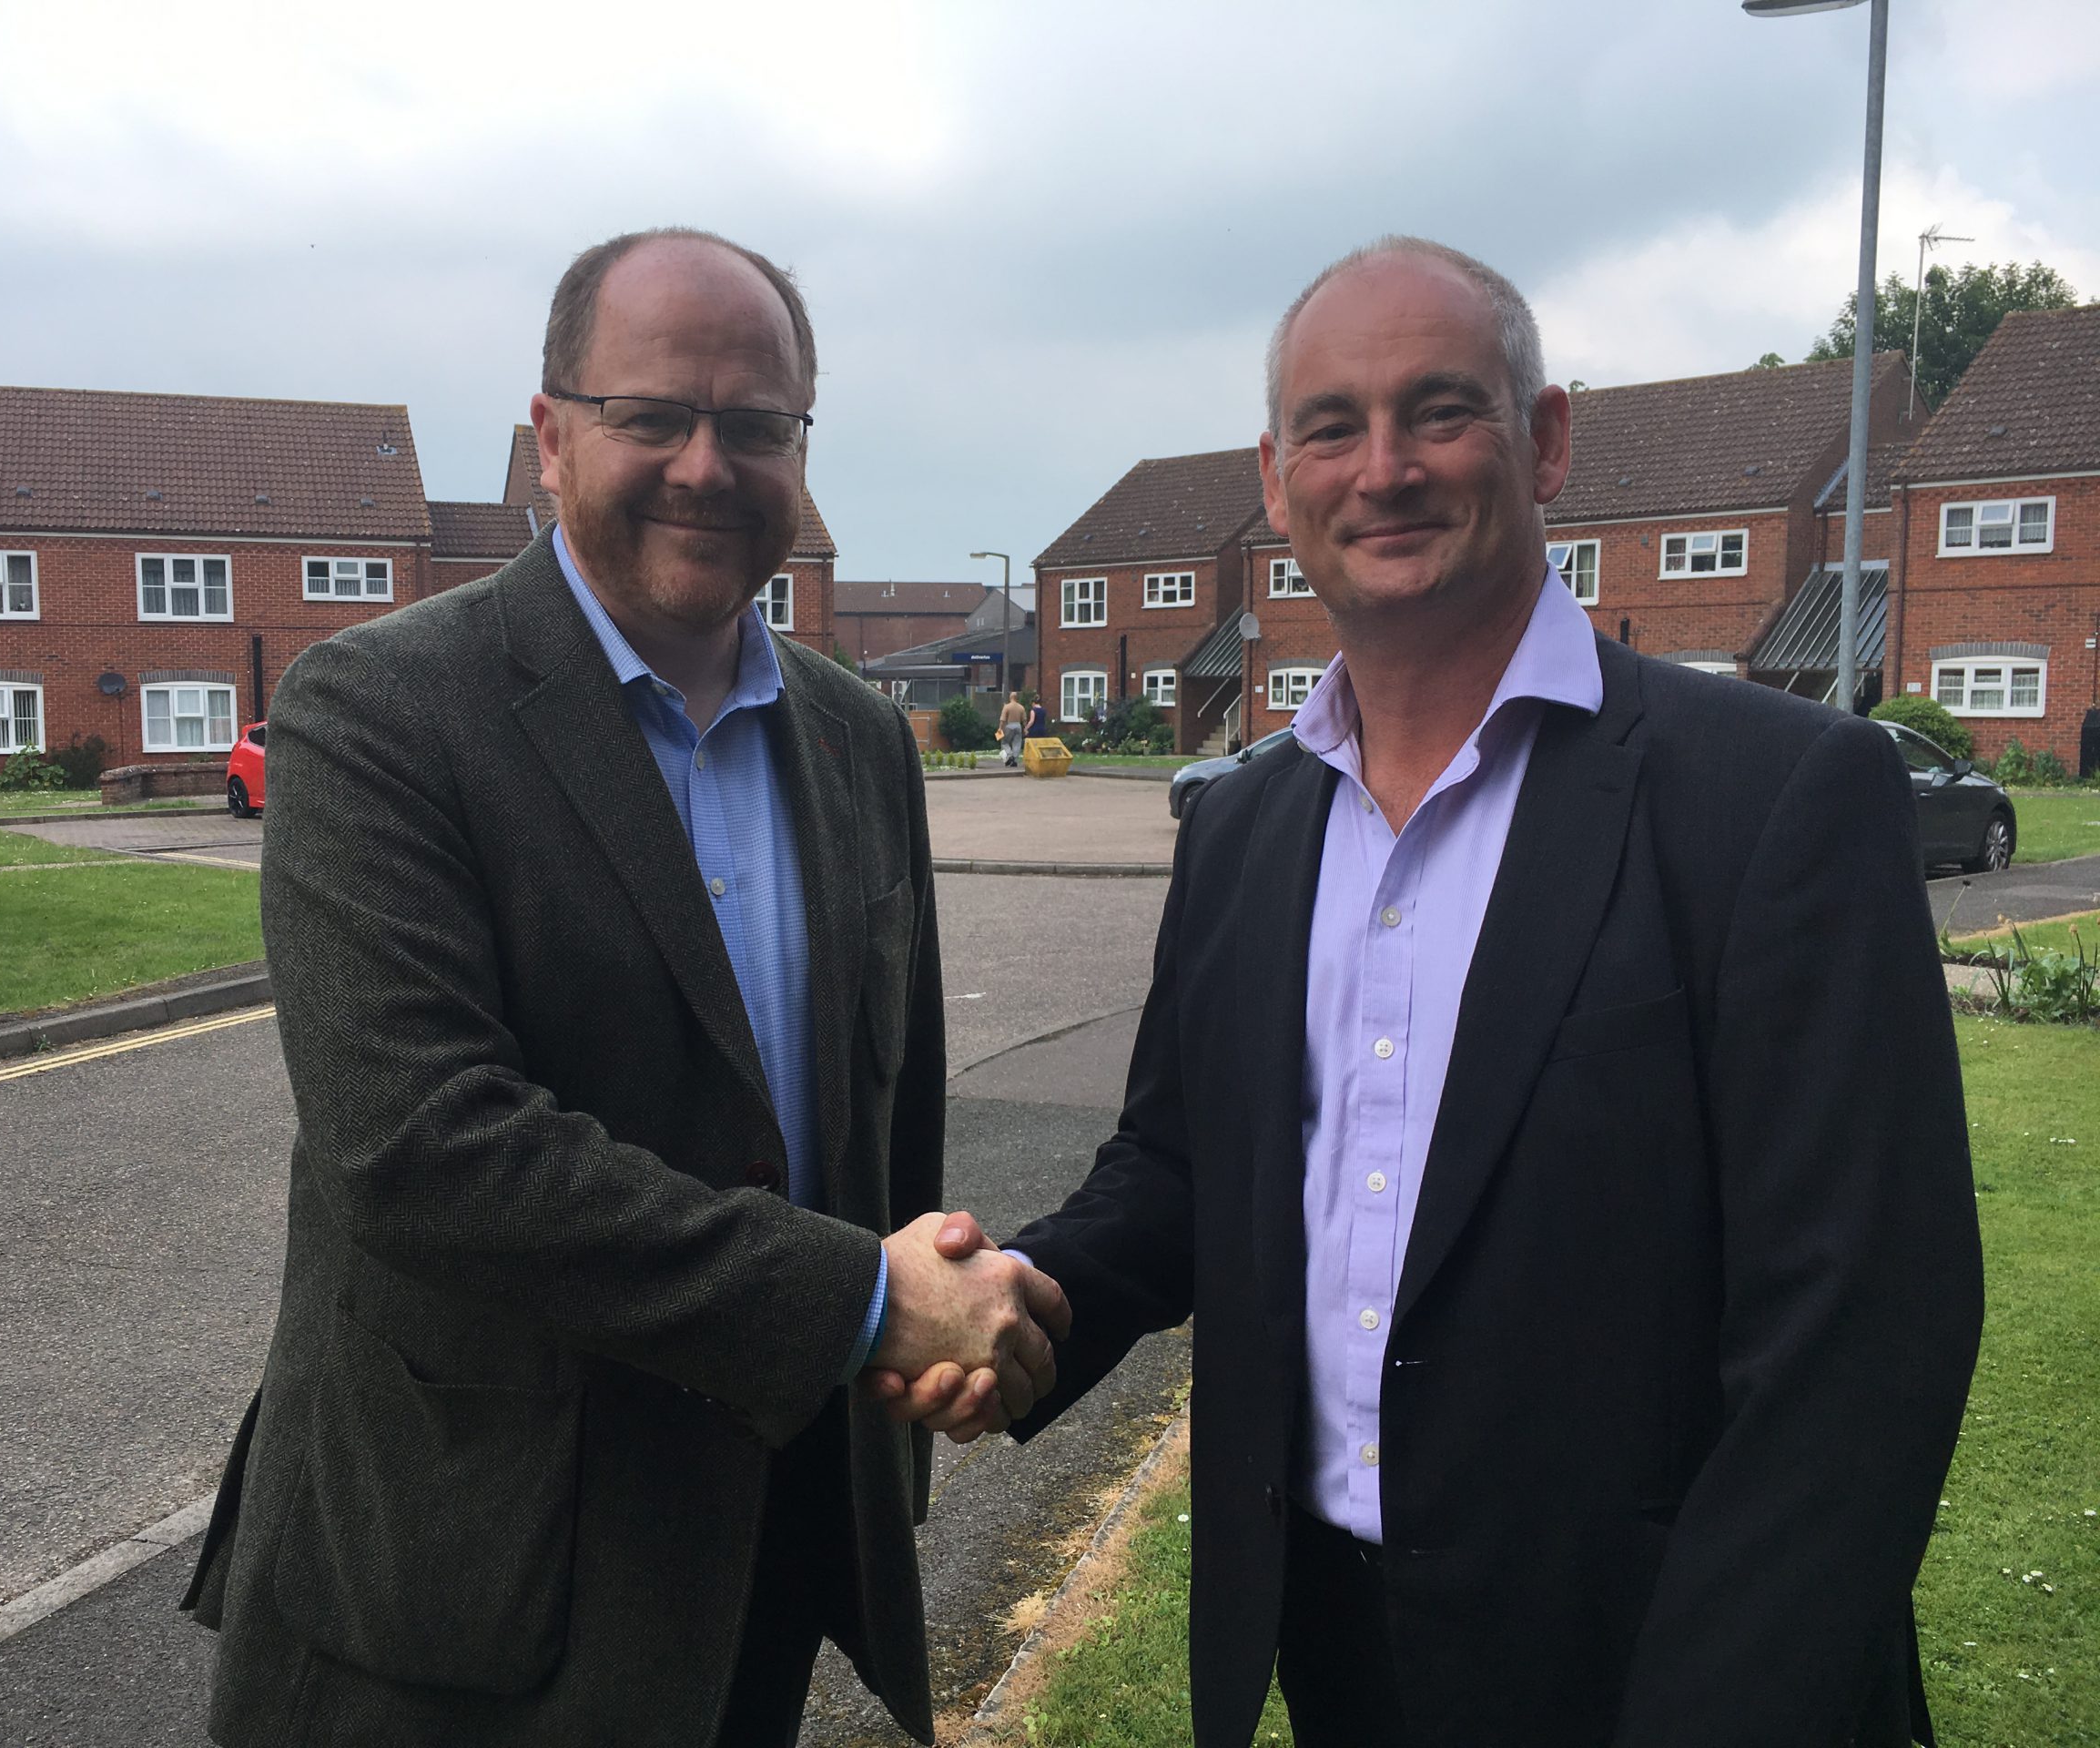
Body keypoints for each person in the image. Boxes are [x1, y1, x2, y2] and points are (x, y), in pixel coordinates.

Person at [883, 238, 1982, 1746]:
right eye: (1332, 428)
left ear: (1545, 440)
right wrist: (1029, 1309)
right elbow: (1182, 1171)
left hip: (1664, 1662)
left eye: (1440, 411)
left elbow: (1864, 1338)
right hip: (1335, 1645)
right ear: (1278, 480)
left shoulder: (1777, 797)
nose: (1382, 469)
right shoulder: (1246, 828)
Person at [183, 227, 1066, 1748]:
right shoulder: (380, 713)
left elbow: (878, 1119)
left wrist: (915, 1359)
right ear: (550, 435)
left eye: (756, 426)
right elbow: (427, 1151)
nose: (706, 466)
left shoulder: (860, 741)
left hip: (769, 1543)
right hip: (467, 1590)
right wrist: (867, 1303)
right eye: (653, 416)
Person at [999, 691, 1029, 766]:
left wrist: (1000, 728)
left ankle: (1009, 755)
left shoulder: (1007, 707)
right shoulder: (1021, 707)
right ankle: (1015, 759)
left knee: (1004, 742)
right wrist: (1025, 729)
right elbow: (1024, 720)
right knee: (1017, 743)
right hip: (1018, 725)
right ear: (1016, 698)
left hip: (1009, 725)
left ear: (1010, 697)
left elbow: (1002, 720)